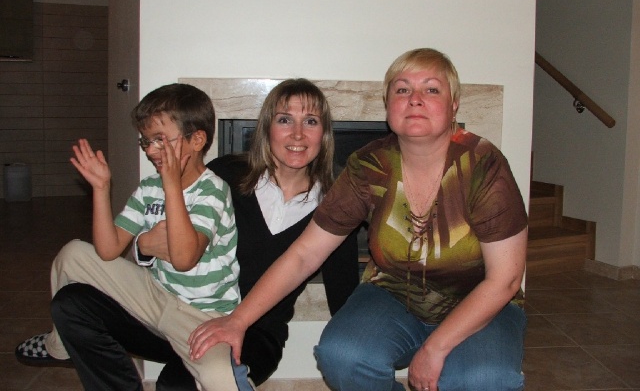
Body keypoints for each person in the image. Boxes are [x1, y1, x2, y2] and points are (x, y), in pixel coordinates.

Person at [188, 49, 529, 391]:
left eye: (431, 89)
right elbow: (305, 253)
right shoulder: (369, 166)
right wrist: (238, 321)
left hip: (477, 300)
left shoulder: (483, 165)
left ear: (454, 105)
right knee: (342, 355)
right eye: (402, 89)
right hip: (394, 295)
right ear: (388, 104)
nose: (415, 99)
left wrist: (435, 348)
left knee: (482, 380)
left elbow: (506, 279)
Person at [17, 78, 359, 390]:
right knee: (71, 301)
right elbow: (167, 216)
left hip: (252, 332)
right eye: (285, 119)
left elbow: (343, 297)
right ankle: (59, 346)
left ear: (324, 133)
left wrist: (354, 353)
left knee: (174, 386)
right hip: (168, 303)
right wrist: (143, 246)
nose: (297, 134)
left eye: (310, 122)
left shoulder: (335, 210)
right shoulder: (226, 173)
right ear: (267, 128)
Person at [15, 83, 243, 390]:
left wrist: (171, 186)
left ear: (197, 140)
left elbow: (185, 259)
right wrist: (101, 189)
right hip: (155, 292)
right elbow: (108, 250)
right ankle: (60, 346)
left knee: (221, 378)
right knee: (73, 254)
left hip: (203, 315)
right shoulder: (149, 187)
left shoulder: (212, 190)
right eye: (146, 141)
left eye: (160, 140)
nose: (150, 150)